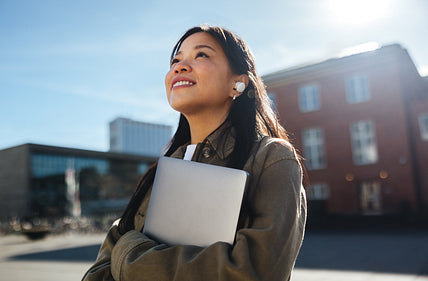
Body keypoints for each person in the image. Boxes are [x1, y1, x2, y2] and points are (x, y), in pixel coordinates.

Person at [82, 24, 307, 281]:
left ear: (239, 83)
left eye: (201, 55)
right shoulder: (159, 172)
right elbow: (97, 274)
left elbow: (251, 272)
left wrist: (129, 252)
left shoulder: (271, 158)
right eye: (175, 60)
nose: (179, 66)